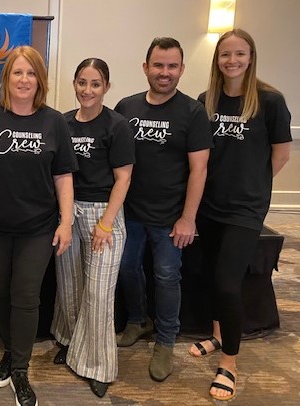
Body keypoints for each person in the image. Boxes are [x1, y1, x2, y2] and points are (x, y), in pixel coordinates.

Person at [0, 45, 78, 406]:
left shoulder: (54, 122)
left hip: (38, 228)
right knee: (1, 291)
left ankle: (20, 370)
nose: (24, 79)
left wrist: (66, 221)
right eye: (17, 72)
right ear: (6, 78)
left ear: (40, 80)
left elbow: (63, 177)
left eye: (31, 73)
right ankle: (10, 351)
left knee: (25, 295)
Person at [190, 29, 292, 401]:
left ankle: (229, 362)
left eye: (239, 54)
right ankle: (218, 335)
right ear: (217, 60)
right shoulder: (206, 100)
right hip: (209, 205)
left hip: (245, 210)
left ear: (251, 57)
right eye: (225, 55)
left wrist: (253, 185)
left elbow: (281, 154)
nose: (232, 61)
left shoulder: (270, 101)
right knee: (211, 274)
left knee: (228, 284)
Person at [114, 37, 211, 382]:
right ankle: (138, 320)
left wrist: (188, 218)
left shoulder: (193, 113)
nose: (164, 72)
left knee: (167, 276)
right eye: (158, 65)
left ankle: (166, 340)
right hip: (130, 213)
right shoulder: (125, 107)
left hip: (171, 217)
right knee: (127, 268)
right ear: (146, 67)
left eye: (172, 66)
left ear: (182, 69)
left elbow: (199, 169)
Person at [51, 58, 134, 398]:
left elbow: (123, 178)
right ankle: (71, 343)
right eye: (82, 82)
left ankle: (98, 366)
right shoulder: (63, 122)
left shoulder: (117, 125)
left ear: (106, 87)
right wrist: (63, 217)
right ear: (74, 84)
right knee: (69, 286)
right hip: (68, 212)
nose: (88, 90)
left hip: (104, 214)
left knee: (98, 294)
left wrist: (106, 223)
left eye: (95, 84)